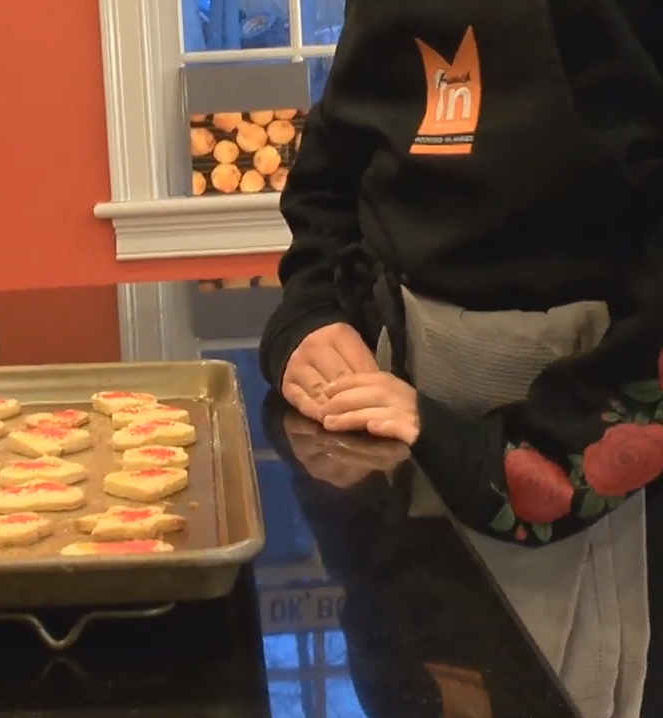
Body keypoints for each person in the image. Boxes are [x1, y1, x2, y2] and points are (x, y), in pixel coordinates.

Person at [259, 0, 663, 547]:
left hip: (581, 463)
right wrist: (311, 312)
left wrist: (503, 462)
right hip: (378, 448)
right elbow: (329, 180)